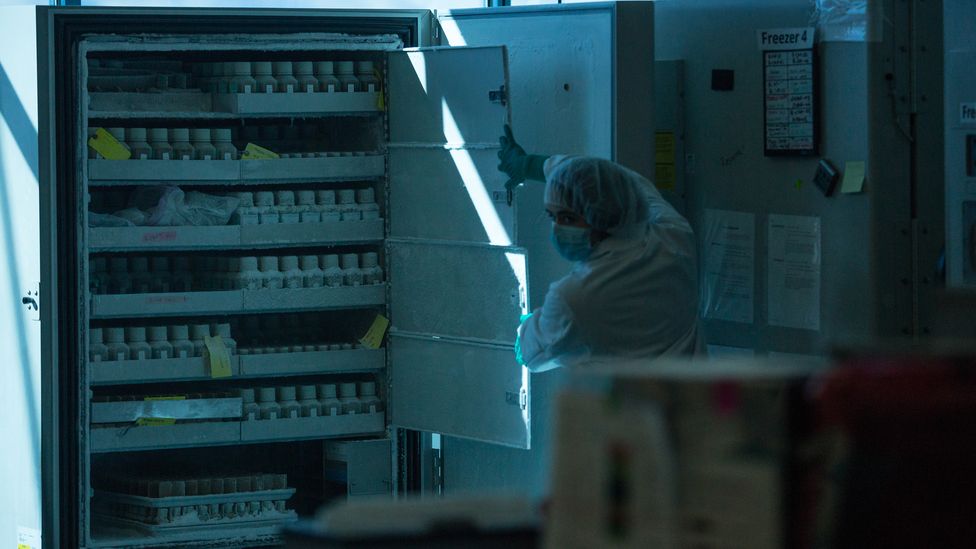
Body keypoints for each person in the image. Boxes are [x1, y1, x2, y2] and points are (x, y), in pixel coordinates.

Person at [497, 125, 700, 372]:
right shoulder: (674, 233)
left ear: (598, 216)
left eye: (568, 218)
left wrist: (530, 325)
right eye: (553, 216)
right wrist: (529, 165)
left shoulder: (574, 298)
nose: (557, 229)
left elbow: (529, 354)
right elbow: (625, 181)